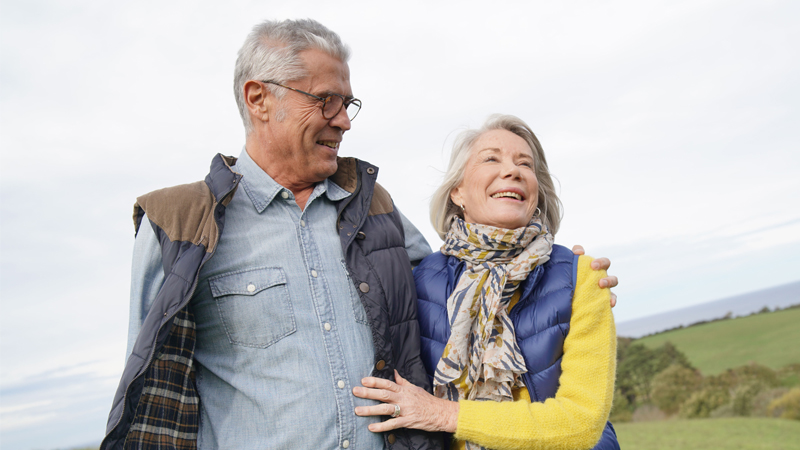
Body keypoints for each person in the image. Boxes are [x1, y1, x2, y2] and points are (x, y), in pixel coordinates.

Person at [102, 19, 618, 450]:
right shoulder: (180, 224)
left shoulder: (374, 207)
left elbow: (461, 281)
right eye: (325, 101)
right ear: (258, 98)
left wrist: (561, 273)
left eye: (348, 103)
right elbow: (150, 397)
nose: (344, 121)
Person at [353, 115, 619, 450]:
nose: (513, 171)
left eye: (525, 164)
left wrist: (442, 413)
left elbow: (581, 425)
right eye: (491, 158)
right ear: (458, 192)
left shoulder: (581, 276)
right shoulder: (418, 284)